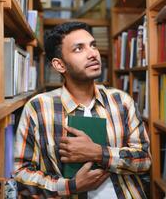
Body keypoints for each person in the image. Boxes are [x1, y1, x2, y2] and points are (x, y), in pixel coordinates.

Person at [14, 22, 151, 198]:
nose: (93, 53)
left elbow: (145, 160)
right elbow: (21, 174)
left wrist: (98, 152)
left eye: (93, 45)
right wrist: (70, 186)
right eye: (79, 49)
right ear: (59, 65)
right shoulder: (38, 108)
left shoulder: (122, 101)